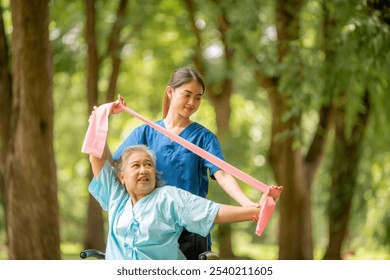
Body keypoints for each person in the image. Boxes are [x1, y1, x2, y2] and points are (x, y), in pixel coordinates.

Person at [106, 67, 282, 259]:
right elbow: (113, 168)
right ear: (170, 92)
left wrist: (249, 205)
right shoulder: (144, 133)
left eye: (198, 97)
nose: (192, 102)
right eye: (187, 95)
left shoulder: (204, 137)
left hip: (191, 229)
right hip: (153, 229)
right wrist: (100, 123)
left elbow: (221, 173)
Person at [88, 141, 264, 259]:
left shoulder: (168, 197)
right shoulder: (116, 196)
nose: (144, 170)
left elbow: (212, 212)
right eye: (136, 165)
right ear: (121, 177)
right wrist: (99, 119)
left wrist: (255, 211)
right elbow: (96, 156)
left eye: (148, 164)